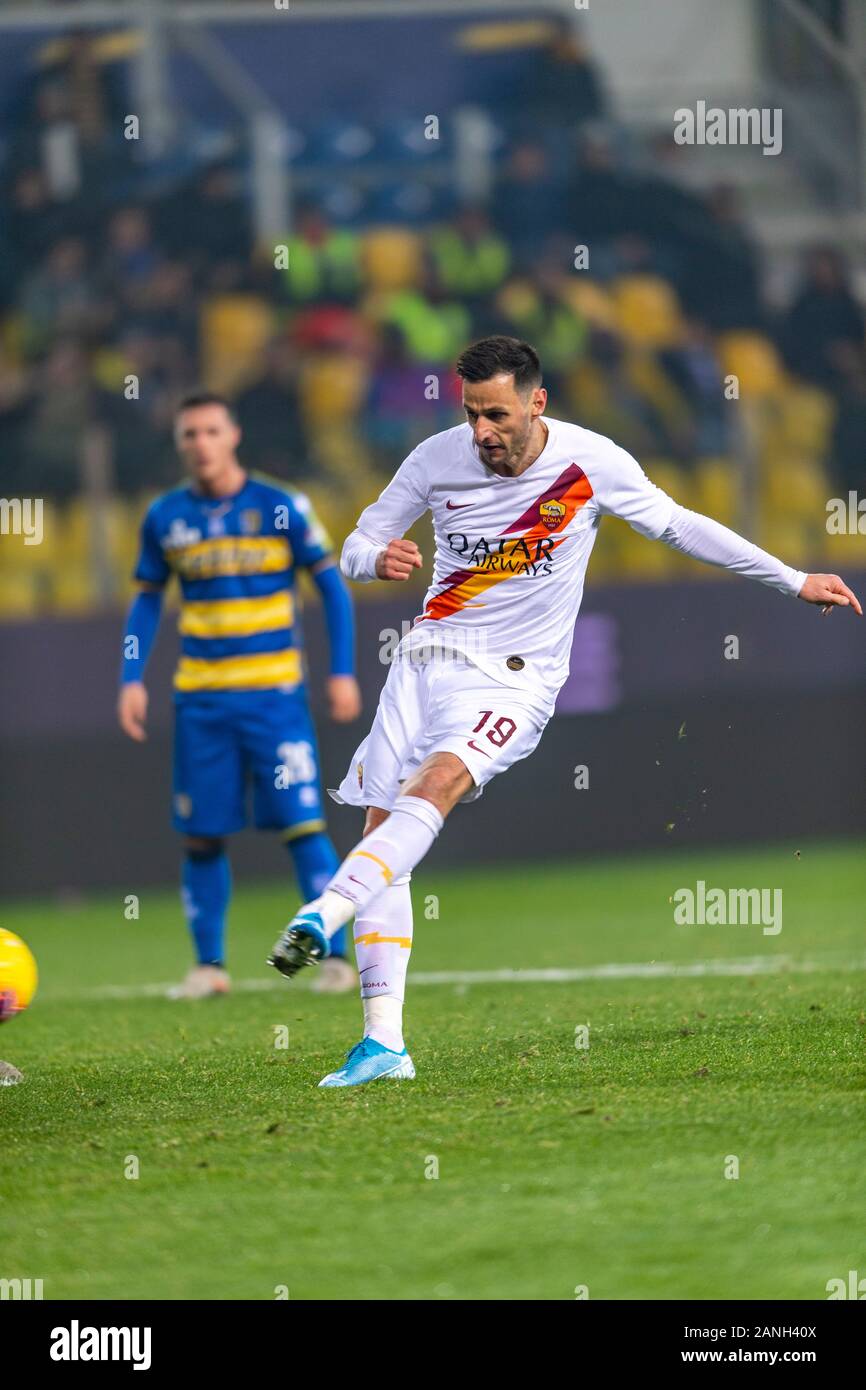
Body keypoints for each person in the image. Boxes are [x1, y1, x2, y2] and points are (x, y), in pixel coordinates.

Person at [267, 336, 861, 1086]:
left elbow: (679, 525)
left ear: (536, 403)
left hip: (514, 680)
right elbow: (359, 538)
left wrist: (792, 577)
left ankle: (325, 912)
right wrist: (372, 559)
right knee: (384, 831)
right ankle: (384, 1043)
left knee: (439, 784)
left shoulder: (589, 463)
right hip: (425, 662)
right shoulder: (434, 460)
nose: (484, 431)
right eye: (473, 413)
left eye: (498, 414)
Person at [118, 392, 362, 997]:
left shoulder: (281, 506)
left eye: (210, 431)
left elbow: (331, 588)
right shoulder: (166, 517)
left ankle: (333, 958)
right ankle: (210, 968)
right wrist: (131, 677)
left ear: (233, 436)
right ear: (181, 445)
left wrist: (342, 671)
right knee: (201, 835)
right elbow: (147, 599)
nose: (200, 443)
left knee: (303, 823)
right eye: (189, 434)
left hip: (274, 699)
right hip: (201, 702)